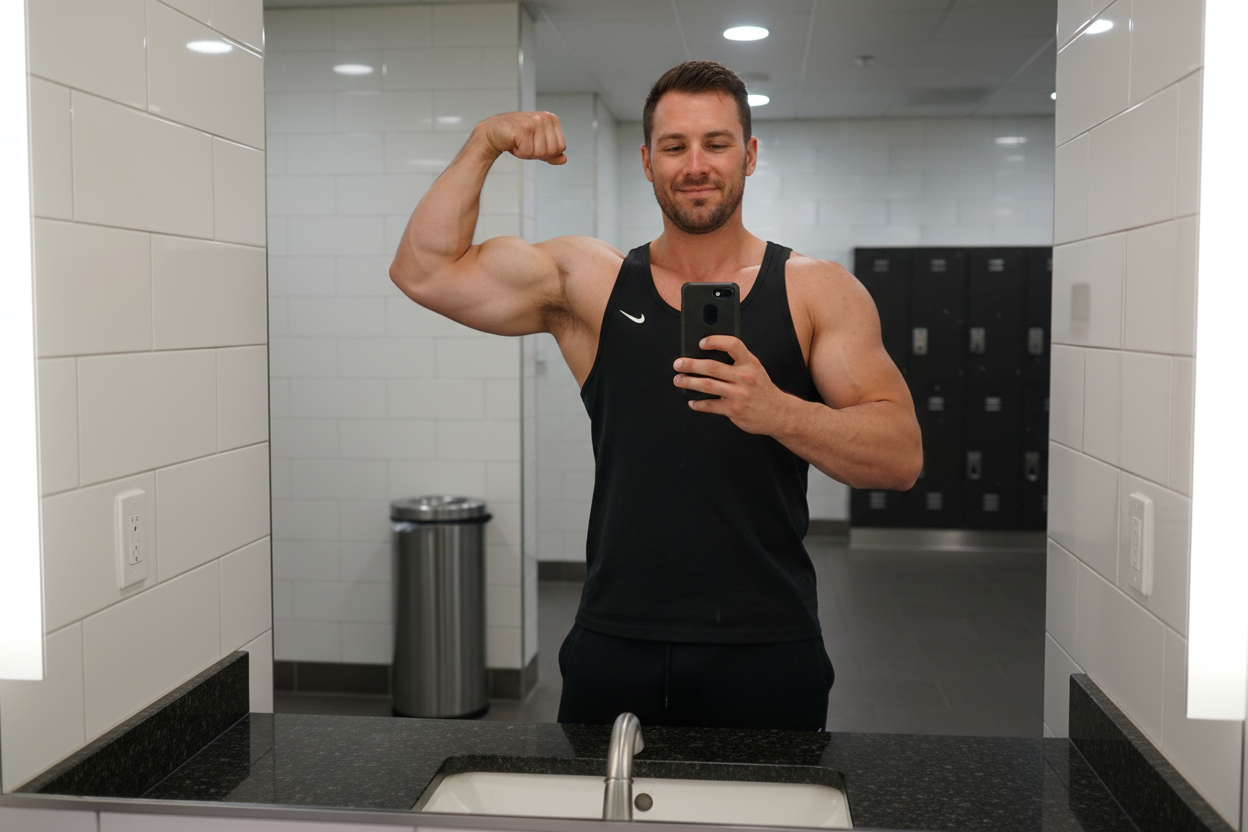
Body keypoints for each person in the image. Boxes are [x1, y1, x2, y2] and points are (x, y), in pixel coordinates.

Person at [390, 61, 922, 731]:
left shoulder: (816, 291)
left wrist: (777, 409)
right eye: (674, 146)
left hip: (766, 642)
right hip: (617, 638)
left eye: (716, 143)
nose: (695, 164)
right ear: (647, 161)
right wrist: (483, 143)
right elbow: (424, 271)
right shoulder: (591, 282)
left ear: (749, 154)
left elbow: (900, 455)